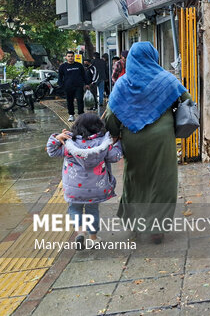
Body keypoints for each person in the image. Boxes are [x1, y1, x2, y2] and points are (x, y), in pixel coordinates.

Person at [103, 42, 191, 244]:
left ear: (131, 59)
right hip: (162, 139)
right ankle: (157, 229)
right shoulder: (166, 79)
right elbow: (187, 100)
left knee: (135, 178)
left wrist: (115, 134)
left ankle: (134, 222)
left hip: (134, 139)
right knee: (163, 180)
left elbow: (111, 117)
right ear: (154, 57)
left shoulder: (123, 83)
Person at [46, 113, 123, 250]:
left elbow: (51, 151)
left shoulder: (69, 143)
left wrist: (57, 138)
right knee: (92, 210)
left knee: (74, 209)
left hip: (73, 189)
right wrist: (118, 144)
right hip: (96, 188)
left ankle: (80, 231)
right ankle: (93, 238)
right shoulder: (103, 143)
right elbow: (115, 157)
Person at [58, 51, 88, 122]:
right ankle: (71, 115)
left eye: (72, 56)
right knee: (69, 101)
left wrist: (86, 83)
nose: (70, 57)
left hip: (79, 86)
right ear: (66, 57)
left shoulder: (79, 65)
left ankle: (81, 115)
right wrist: (62, 85)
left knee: (80, 100)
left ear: (74, 57)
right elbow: (60, 77)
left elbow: (84, 75)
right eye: (69, 56)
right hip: (68, 87)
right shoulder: (62, 66)